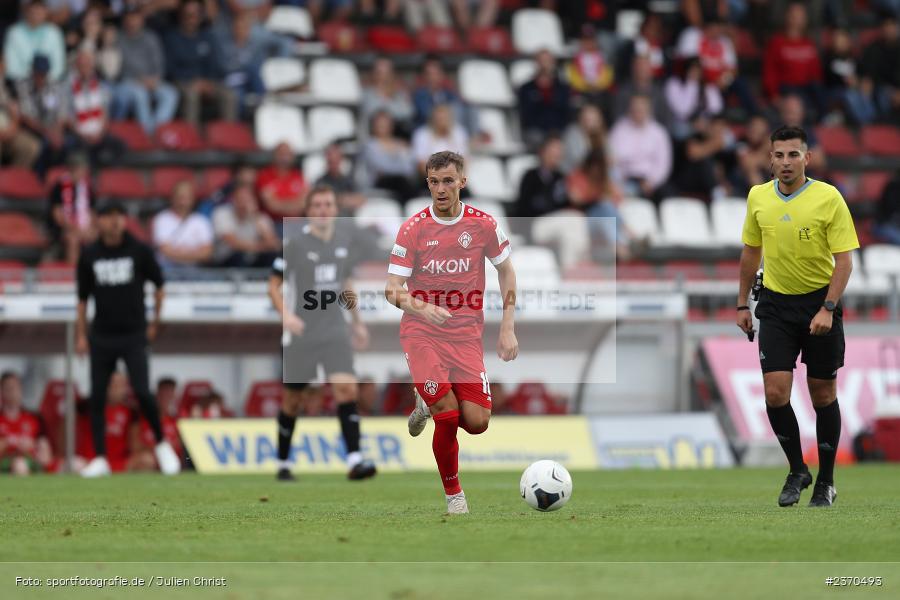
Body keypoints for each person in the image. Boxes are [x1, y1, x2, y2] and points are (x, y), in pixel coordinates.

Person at [384, 151, 518, 514]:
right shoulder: (413, 229)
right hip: (421, 332)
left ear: (463, 181)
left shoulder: (484, 225)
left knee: (476, 422)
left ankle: (424, 397)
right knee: (448, 414)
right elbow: (392, 288)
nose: (440, 189)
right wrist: (423, 308)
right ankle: (454, 496)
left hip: (465, 337)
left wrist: (507, 327)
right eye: (433, 181)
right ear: (427, 183)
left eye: (447, 181)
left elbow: (507, 272)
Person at [736, 125, 859, 508]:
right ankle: (797, 469)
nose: (786, 162)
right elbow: (750, 253)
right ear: (769, 159)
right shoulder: (758, 197)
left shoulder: (828, 198)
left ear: (807, 158)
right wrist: (742, 304)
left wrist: (828, 307)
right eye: (779, 155)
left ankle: (826, 481)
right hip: (774, 303)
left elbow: (844, 261)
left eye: (793, 155)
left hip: (819, 304)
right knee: (775, 393)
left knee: (823, 394)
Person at [267, 185, 377, 482]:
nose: (323, 210)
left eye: (328, 205)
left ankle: (355, 460)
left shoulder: (343, 242)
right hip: (301, 331)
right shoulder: (294, 244)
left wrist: (357, 321)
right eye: (317, 205)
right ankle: (282, 462)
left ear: (335, 210)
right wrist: (287, 316)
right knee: (293, 400)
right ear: (308, 211)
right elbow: (273, 285)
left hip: (334, 329)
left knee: (346, 389)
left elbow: (345, 284)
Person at [76, 200, 181, 478]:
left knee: (143, 391)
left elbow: (160, 286)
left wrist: (154, 323)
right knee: (97, 397)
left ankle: (161, 444)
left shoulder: (139, 250)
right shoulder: (89, 255)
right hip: (102, 335)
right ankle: (100, 458)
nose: (114, 222)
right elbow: (82, 300)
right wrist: (81, 336)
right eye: (108, 216)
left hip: (133, 334)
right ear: (99, 221)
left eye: (119, 216)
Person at [112, 7, 179, 135]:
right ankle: (146, 134)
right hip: (127, 82)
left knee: (170, 93)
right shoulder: (118, 39)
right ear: (124, 20)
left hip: (151, 81)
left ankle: (156, 130)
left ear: (142, 20)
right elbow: (120, 69)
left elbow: (159, 64)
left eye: (136, 18)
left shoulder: (151, 38)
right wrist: (140, 80)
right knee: (140, 94)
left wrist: (154, 79)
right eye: (130, 18)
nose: (133, 22)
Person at [608, 94, 672, 202]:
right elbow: (611, 159)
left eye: (641, 109)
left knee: (668, 196)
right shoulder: (619, 129)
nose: (637, 112)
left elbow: (663, 164)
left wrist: (651, 182)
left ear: (649, 110)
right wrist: (620, 179)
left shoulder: (659, 132)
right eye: (635, 108)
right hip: (624, 178)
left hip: (649, 180)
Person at [152, 180, 215, 275]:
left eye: (187, 197)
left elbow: (207, 253)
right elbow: (165, 251)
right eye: (180, 197)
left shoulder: (201, 221)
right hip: (168, 270)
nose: (183, 201)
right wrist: (194, 254)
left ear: (193, 199)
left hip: (195, 270)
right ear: (172, 198)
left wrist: (180, 254)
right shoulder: (161, 219)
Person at [46, 152, 97, 265]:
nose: (84, 172)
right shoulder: (59, 186)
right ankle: (74, 273)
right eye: (82, 169)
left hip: (84, 226)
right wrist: (74, 228)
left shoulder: (87, 187)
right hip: (64, 228)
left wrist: (92, 227)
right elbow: (57, 214)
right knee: (73, 239)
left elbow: (92, 211)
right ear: (73, 169)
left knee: (98, 236)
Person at [212, 182, 280, 267]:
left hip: (252, 258)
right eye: (240, 199)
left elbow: (273, 244)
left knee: (271, 256)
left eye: (247, 199)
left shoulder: (260, 217)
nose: (244, 203)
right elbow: (233, 243)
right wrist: (262, 247)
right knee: (239, 256)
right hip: (227, 259)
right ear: (233, 200)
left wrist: (255, 217)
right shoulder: (222, 213)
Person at [0, 371, 54, 475]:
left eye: (15, 388)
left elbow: (44, 446)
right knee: (19, 465)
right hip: (5, 462)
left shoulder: (34, 418)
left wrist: (33, 445)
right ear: (1, 391)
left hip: (30, 460)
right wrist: (7, 443)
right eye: (8, 388)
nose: (12, 392)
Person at [518, 49, 571, 149]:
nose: (544, 65)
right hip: (537, 131)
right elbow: (526, 116)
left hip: (558, 131)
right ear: (536, 63)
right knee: (536, 137)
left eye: (547, 61)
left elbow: (566, 113)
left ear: (553, 63)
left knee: (570, 136)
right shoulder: (526, 89)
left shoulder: (563, 88)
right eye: (541, 61)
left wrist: (554, 132)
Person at [2, 1, 65, 82]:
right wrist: (29, 80)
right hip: (20, 84)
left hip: (50, 84)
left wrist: (44, 81)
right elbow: (11, 66)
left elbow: (59, 66)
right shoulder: (14, 32)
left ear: (46, 11)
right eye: (33, 10)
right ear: (26, 11)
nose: (35, 14)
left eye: (39, 10)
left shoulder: (54, 32)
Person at [0, 57, 41, 168]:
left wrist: (12, 129)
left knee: (31, 146)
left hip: (10, 131)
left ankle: (12, 180)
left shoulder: (9, 85)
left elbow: (17, 113)